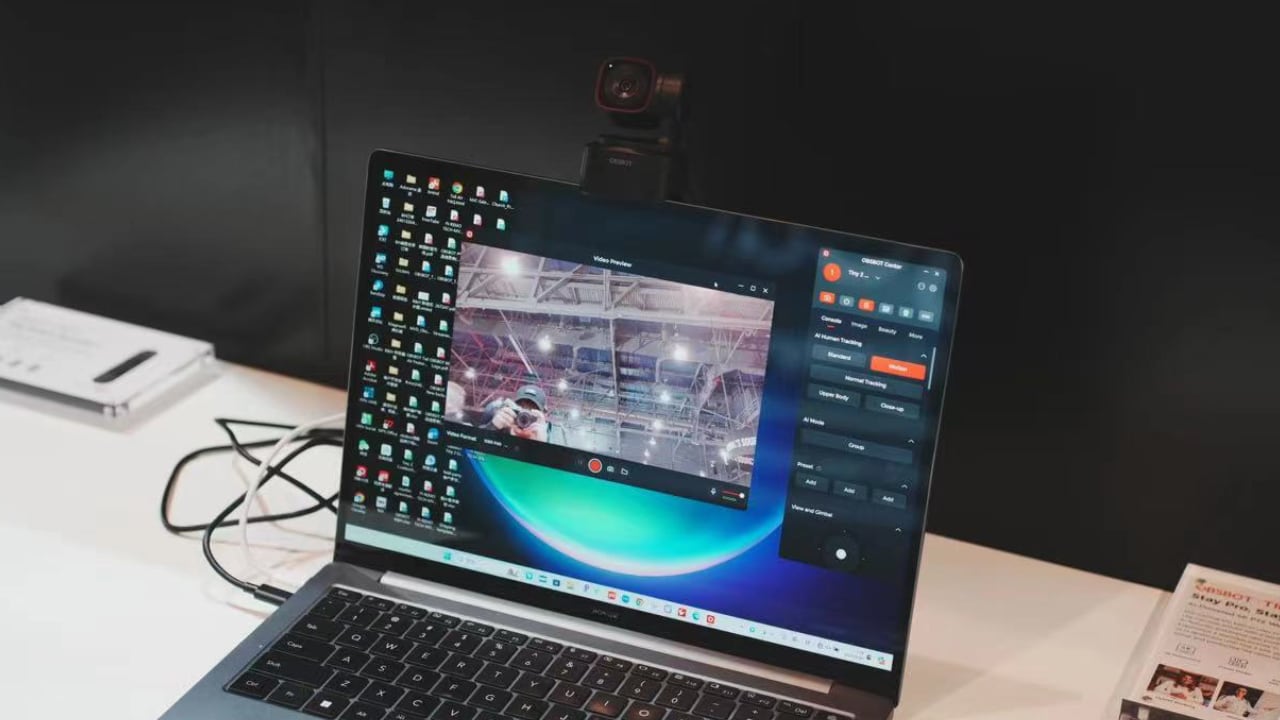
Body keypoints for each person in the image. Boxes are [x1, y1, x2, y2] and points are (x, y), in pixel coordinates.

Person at [481, 384, 565, 444]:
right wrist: (492, 427)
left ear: (542, 417)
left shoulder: (548, 437)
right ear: (511, 409)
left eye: (532, 412)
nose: (524, 417)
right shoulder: (502, 429)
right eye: (520, 409)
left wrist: (542, 445)